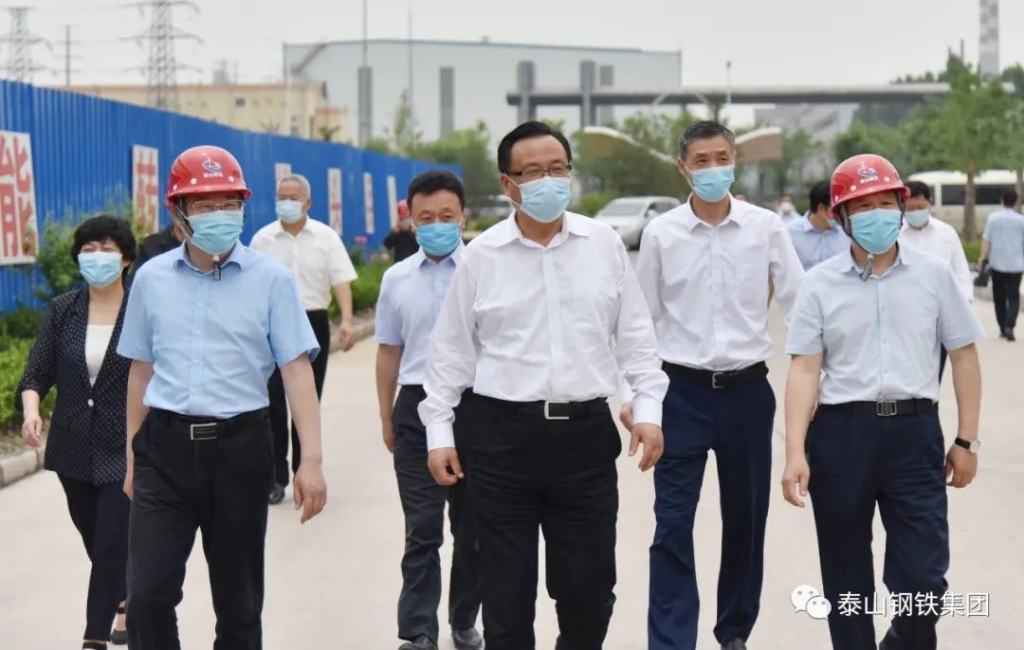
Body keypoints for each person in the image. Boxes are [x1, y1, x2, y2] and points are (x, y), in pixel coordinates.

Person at [419, 120, 668, 650]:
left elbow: (636, 338)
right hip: (501, 442)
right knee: (506, 600)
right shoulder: (482, 256)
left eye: (557, 169)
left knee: (589, 593)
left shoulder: (603, 244)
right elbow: (450, 354)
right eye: (532, 172)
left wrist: (647, 409)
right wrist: (439, 434)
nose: (547, 181)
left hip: (584, 441)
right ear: (508, 183)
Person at [117, 145, 328, 649]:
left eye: (229, 203)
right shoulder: (150, 279)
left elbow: (297, 371)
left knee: (238, 604)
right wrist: (131, 454)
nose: (219, 214)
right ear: (179, 212)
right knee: (146, 596)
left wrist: (311, 460)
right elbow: (140, 370)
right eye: (205, 204)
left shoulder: (271, 280)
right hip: (164, 450)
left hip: (240, 449)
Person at [782, 153, 983, 650]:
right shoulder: (818, 285)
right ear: (842, 217)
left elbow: (963, 356)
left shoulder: (934, 275)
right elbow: (804, 370)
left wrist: (967, 441)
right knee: (846, 578)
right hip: (841, 437)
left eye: (885, 203)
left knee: (924, 582)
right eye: (862, 206)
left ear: (900, 206)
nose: (877, 214)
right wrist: (795, 452)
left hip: (914, 436)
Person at [630, 120, 804, 650]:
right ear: (683, 168)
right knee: (672, 524)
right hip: (680, 394)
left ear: (735, 162)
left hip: (748, 394)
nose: (712, 169)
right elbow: (640, 322)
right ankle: (671, 641)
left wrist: (815, 383)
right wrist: (638, 398)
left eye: (721, 158)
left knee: (746, 522)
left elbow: (800, 307)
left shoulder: (765, 228)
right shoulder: (661, 234)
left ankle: (733, 633)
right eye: (700, 161)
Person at [16, 215, 136, 650]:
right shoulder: (63, 310)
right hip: (72, 447)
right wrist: (32, 411)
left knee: (109, 543)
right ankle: (124, 597)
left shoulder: (142, 309)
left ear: (125, 259)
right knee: (94, 536)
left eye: (106, 249)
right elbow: (36, 372)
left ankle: (94, 639)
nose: (96, 257)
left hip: (126, 447)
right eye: (88, 250)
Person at [375, 170, 483, 650]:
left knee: (473, 529)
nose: (436, 224)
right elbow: (388, 351)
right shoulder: (397, 279)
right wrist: (386, 415)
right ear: (411, 221)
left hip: (476, 408)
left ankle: (464, 618)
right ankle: (419, 631)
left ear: (462, 216)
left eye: (446, 215)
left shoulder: (484, 268)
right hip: (416, 408)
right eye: (426, 217)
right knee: (422, 528)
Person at [250, 173, 358, 505]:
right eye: (281, 197)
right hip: (271, 324)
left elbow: (341, 280)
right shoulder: (263, 239)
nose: (287, 202)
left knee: (306, 399)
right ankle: (275, 477)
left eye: (293, 197)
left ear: (308, 202)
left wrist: (347, 320)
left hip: (312, 320)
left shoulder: (325, 237)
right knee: (271, 402)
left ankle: (304, 472)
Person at [899, 180, 974, 379]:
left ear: (930, 203)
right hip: (905, 317)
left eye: (920, 207)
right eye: (910, 208)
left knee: (934, 373)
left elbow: (960, 271)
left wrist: (964, 304)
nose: (915, 212)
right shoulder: (895, 235)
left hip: (940, 316)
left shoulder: (946, 233)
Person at [978, 189, 1024, 340]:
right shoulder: (1021, 220)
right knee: (1014, 297)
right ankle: (1010, 325)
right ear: (1016, 202)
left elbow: (986, 240)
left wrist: (982, 258)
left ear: (1002, 201)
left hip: (997, 265)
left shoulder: (993, 218)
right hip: (1016, 266)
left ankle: (1003, 328)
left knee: (999, 298)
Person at [788, 180, 850, 270]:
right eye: (837, 209)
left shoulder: (847, 232)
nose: (841, 214)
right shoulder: (791, 233)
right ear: (821, 209)